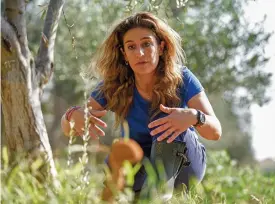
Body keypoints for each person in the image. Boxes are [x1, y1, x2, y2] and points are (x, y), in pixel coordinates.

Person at [61, 12, 222, 200]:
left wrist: (195, 116)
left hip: (184, 166)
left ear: (161, 47)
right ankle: (133, 193)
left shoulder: (182, 78)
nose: (140, 53)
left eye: (147, 44)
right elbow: (67, 129)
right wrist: (72, 115)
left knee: (167, 121)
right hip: (140, 166)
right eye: (131, 47)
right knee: (122, 151)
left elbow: (215, 132)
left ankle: (158, 195)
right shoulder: (114, 85)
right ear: (124, 54)